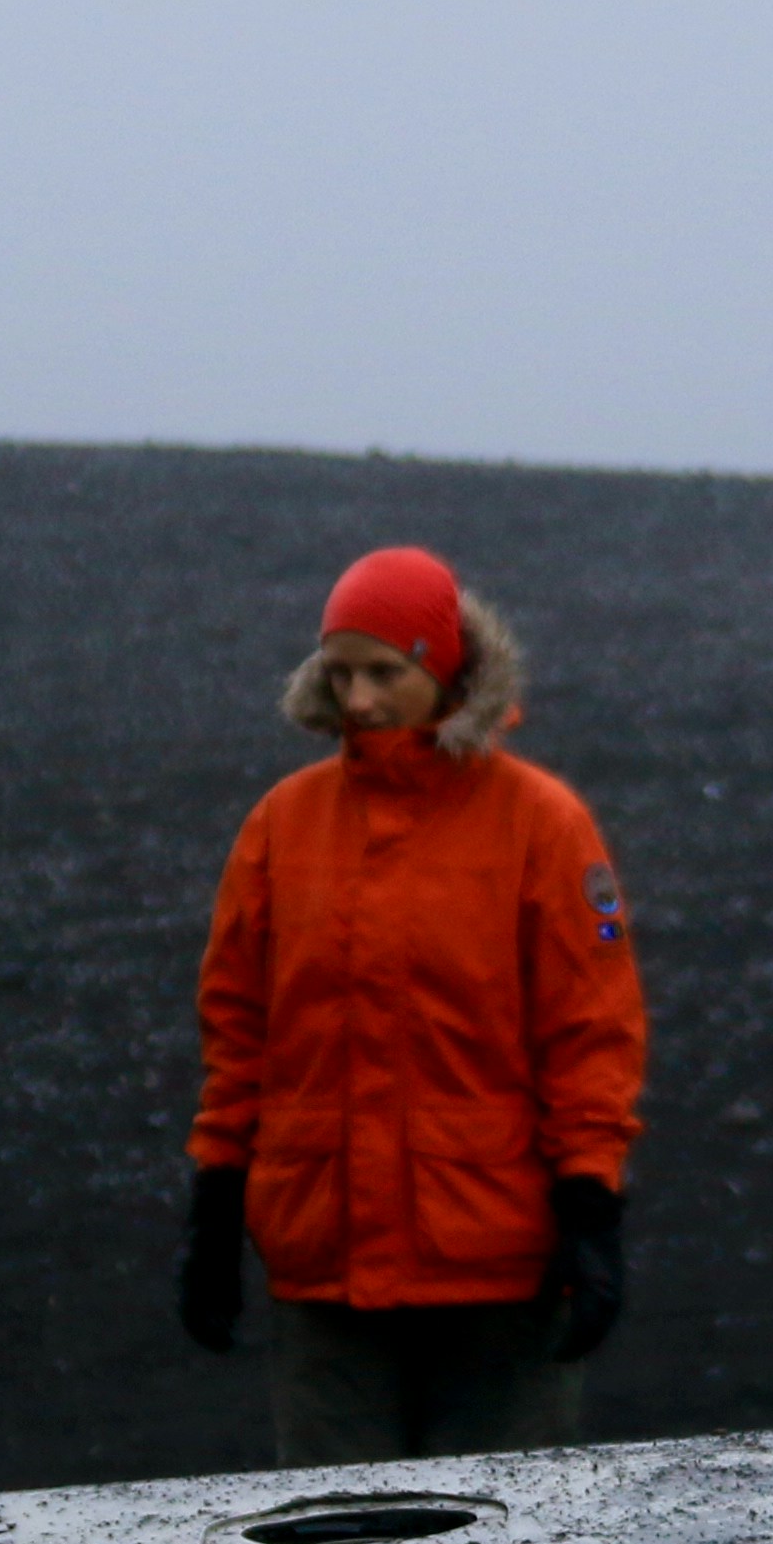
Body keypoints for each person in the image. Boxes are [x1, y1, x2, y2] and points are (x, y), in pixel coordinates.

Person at [177, 546, 646, 1463]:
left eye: (385, 673)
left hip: (497, 1272)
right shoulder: (284, 824)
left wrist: (592, 1211)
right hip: (326, 1271)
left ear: (445, 667)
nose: (358, 700)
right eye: (340, 673)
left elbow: (590, 1030)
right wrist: (214, 1208)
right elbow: (238, 1032)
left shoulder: (540, 823)